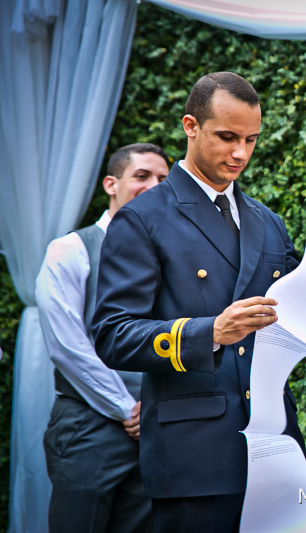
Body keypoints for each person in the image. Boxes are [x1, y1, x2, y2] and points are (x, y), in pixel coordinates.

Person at [91, 72, 306, 532]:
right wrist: (210, 332)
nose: (241, 153)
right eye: (227, 137)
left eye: (251, 139)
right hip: (194, 453)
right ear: (190, 126)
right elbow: (112, 334)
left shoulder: (267, 220)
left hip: (273, 440)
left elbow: (303, 311)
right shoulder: (143, 218)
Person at [37, 143, 170, 533]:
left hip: (154, 429)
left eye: (163, 179)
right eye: (142, 176)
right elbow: (67, 345)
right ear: (112, 184)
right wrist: (126, 408)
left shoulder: (168, 255)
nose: (154, 185)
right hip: (88, 429)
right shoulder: (70, 249)